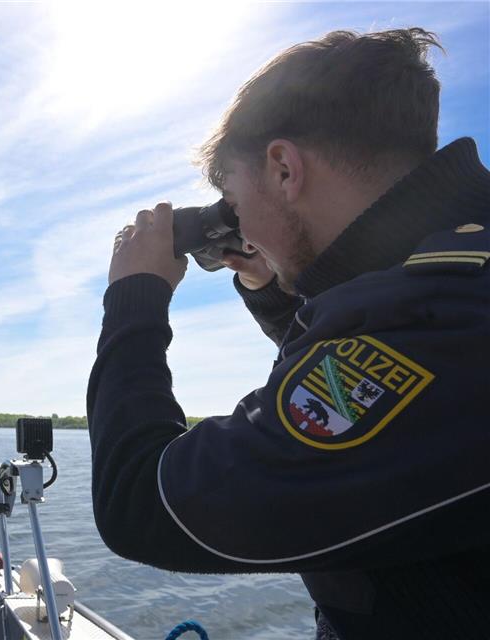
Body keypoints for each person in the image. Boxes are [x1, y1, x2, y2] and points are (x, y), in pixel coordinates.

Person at [87, 28, 489, 640]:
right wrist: (274, 292)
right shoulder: (448, 275)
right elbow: (367, 402)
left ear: (283, 168)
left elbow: (145, 502)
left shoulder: (442, 316)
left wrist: (134, 299)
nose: (236, 223)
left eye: (234, 200)